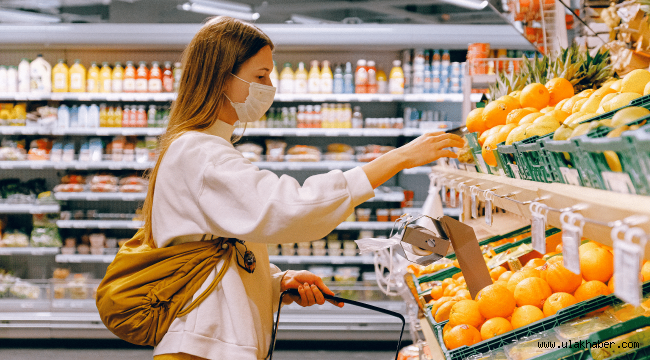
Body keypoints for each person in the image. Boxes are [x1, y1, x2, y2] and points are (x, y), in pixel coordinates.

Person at [145, 16, 463, 360]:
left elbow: (217, 253)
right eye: (260, 76)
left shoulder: (204, 147)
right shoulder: (199, 153)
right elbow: (288, 207)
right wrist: (396, 159)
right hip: (201, 346)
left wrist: (276, 283)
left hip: (212, 342)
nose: (270, 86)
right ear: (223, 78)